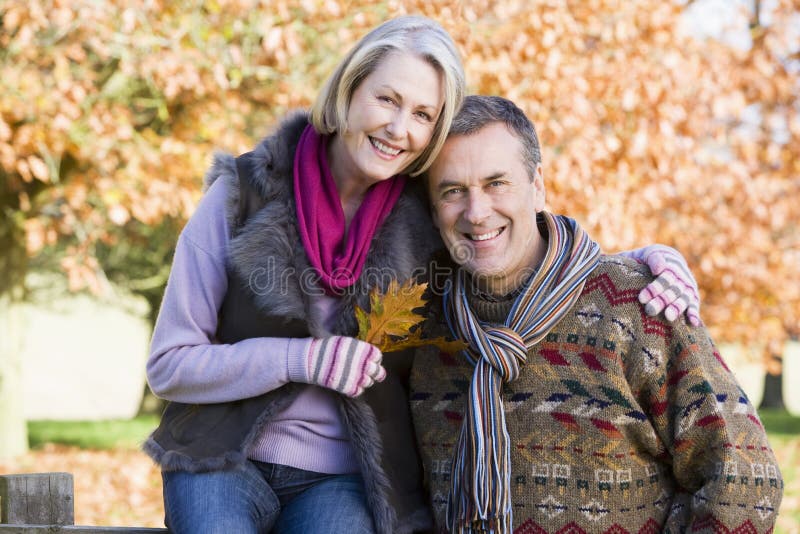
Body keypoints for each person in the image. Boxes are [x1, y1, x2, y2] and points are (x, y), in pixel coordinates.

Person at [143, 15, 701, 534]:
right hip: (220, 456)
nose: (398, 128)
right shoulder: (243, 193)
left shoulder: (428, 215)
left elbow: (518, 232)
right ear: (348, 92)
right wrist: (298, 360)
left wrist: (641, 258)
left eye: (423, 115)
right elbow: (168, 365)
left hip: (345, 478)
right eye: (386, 99)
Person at [411, 95, 782, 533]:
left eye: (497, 183)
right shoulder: (424, 330)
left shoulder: (636, 303)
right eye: (453, 191)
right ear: (433, 210)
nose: (476, 212)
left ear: (538, 187)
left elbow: (743, 479)